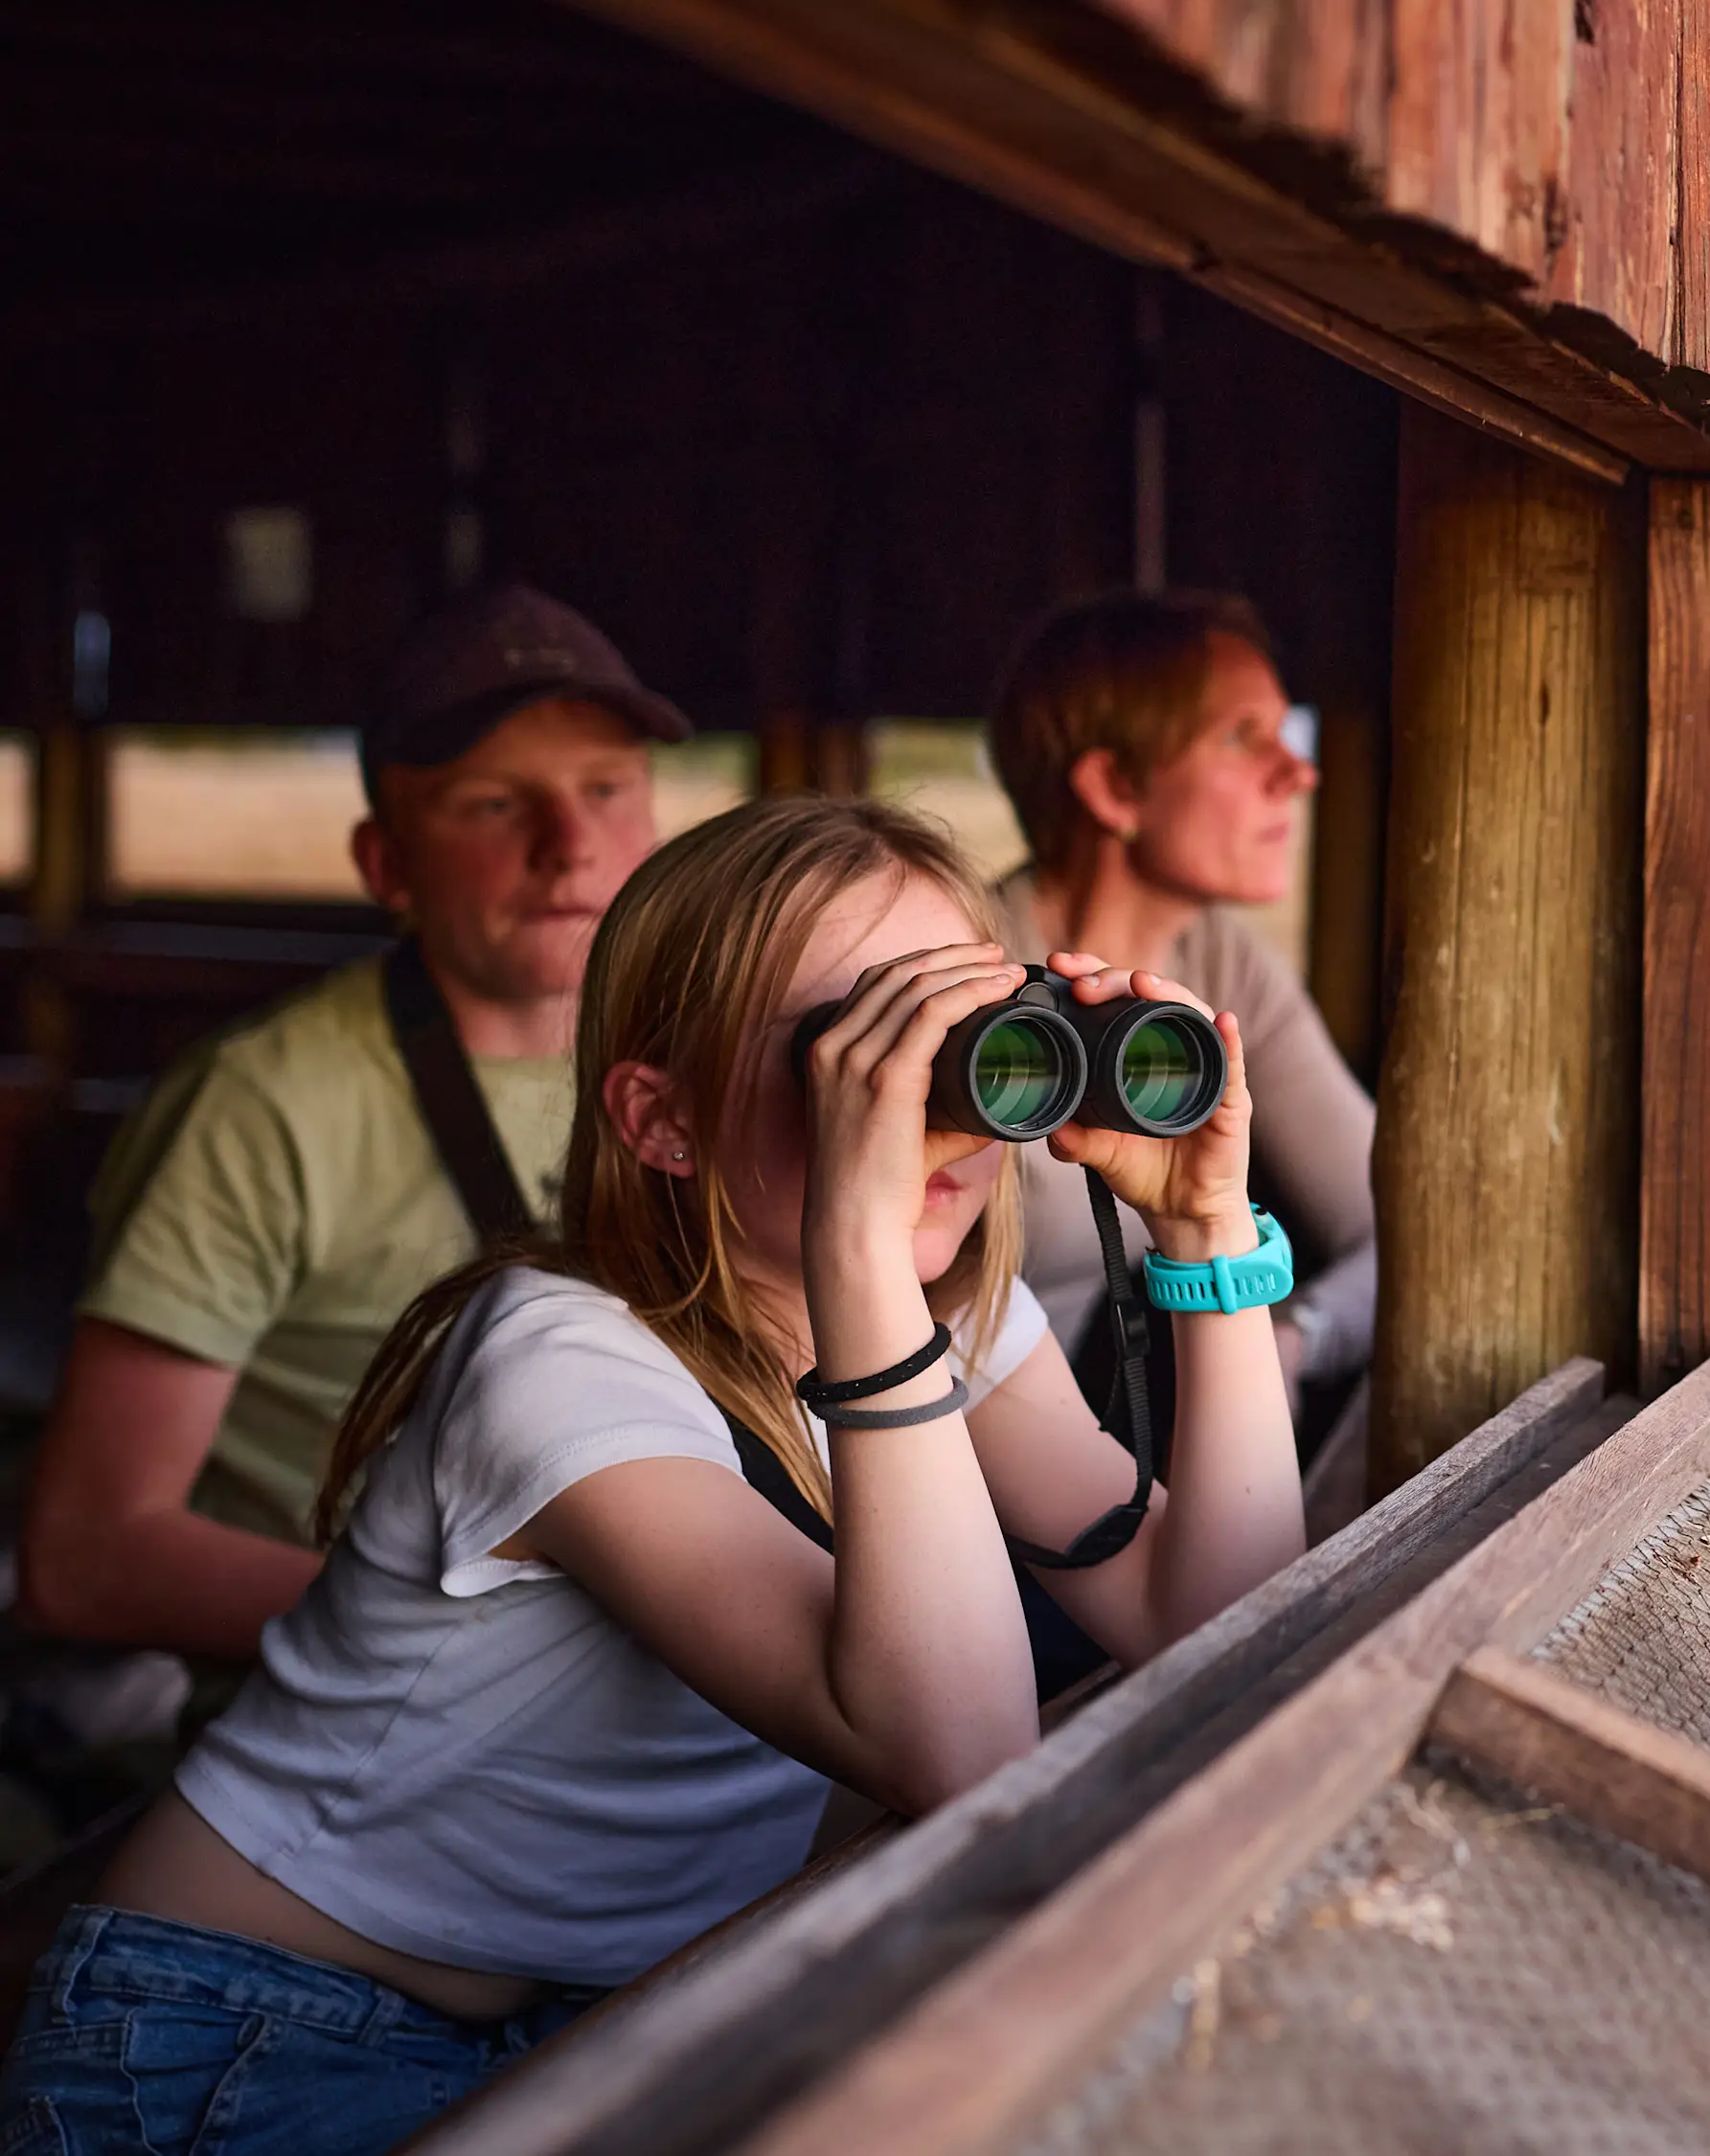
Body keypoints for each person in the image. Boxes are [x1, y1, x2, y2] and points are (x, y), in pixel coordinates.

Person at [0, 796, 1307, 2154]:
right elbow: (964, 1753)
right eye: (858, 1044)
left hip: (603, 2011)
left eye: (966, 1032)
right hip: (236, 2033)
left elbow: (1223, 1613)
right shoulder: (555, 1361)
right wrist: (860, 1250)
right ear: (662, 1119)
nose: (917, 1094)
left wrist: (1207, 1226)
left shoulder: (948, 1322)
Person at [19, 586, 686, 1663]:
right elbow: (88, 1556)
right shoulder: (261, 1107)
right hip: (376, 1732)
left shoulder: (700, 1060)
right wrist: (486, 1647)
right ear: (385, 865)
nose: (570, 847)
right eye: (493, 805)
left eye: (606, 788)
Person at [983, 592, 1375, 1420]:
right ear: (1115, 787)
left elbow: (1395, 1223)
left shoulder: (1220, 961)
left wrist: (1293, 1339)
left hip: (1123, 1448)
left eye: (1285, 731)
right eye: (1243, 737)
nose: (1300, 773)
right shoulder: (978, 983)